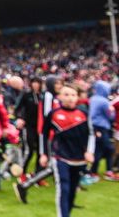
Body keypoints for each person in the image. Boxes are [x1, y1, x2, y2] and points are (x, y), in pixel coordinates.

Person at [18, 83, 95, 217]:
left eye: (73, 95)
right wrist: (43, 154)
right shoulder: (53, 114)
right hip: (60, 157)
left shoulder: (83, 113)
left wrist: (89, 151)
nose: (70, 98)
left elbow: (91, 133)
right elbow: (44, 134)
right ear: (59, 97)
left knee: (71, 191)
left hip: (79, 159)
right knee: (63, 188)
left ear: (77, 97)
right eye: (66, 94)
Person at [88, 80, 117, 180]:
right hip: (101, 127)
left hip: (94, 126)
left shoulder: (93, 98)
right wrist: (113, 112)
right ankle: (108, 171)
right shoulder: (104, 101)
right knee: (109, 149)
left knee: (98, 150)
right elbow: (110, 116)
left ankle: (94, 171)